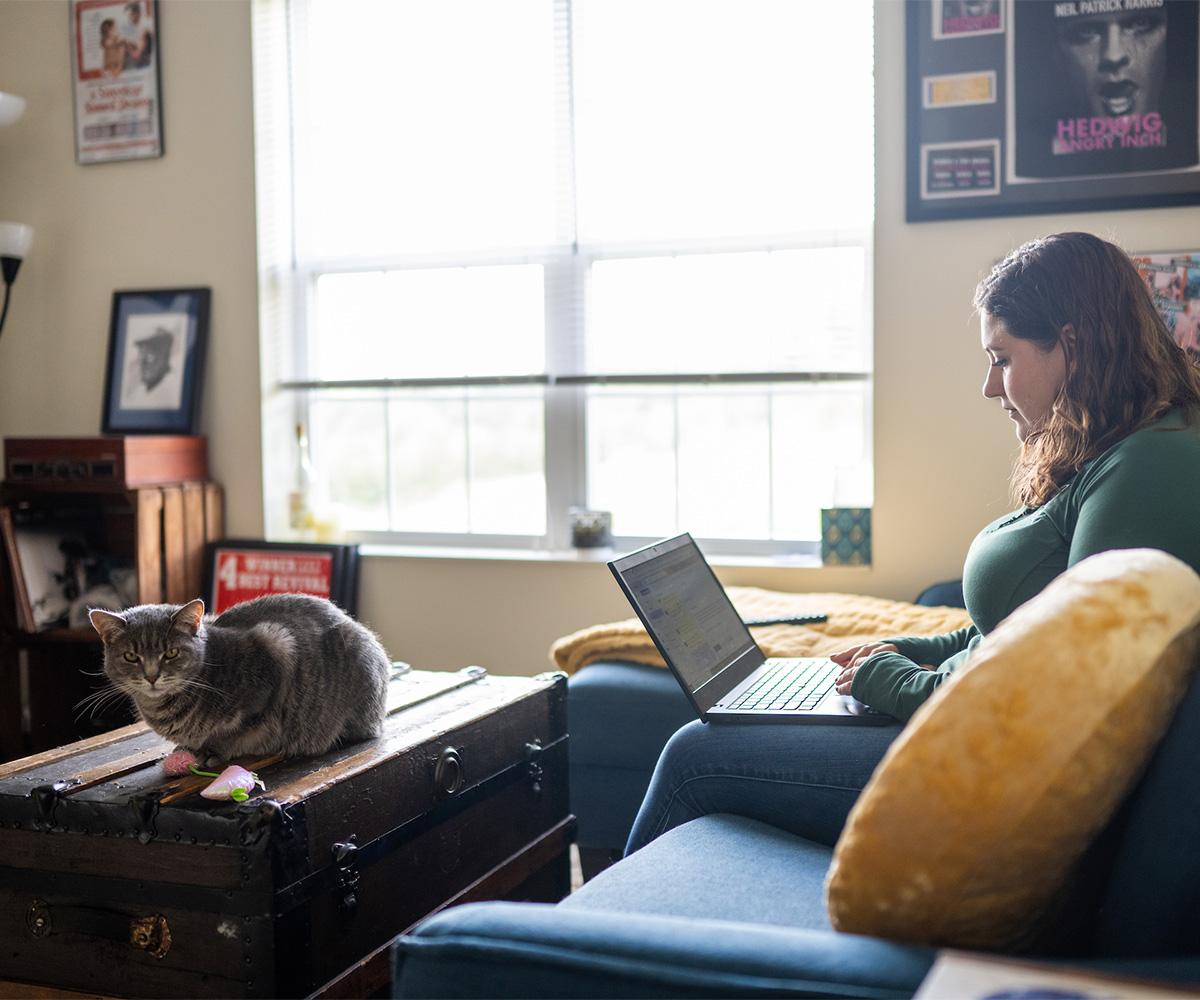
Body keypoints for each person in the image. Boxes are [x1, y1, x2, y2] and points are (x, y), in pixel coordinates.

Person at [625, 232, 1200, 857]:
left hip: (993, 774)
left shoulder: (1147, 466)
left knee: (695, 755)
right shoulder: (1121, 447)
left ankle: (568, 953)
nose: (989, 387)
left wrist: (895, 683)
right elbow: (1025, 629)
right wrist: (911, 648)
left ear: (1073, 345)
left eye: (1002, 358)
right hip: (967, 726)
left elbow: (1076, 693)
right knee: (712, 737)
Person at [121, 1, 154, 71]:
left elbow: (144, 40)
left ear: (138, 14)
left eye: (132, 14)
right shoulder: (126, 27)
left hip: (145, 58)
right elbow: (126, 43)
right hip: (133, 57)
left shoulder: (147, 24)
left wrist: (137, 51)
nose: (130, 17)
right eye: (129, 15)